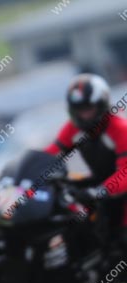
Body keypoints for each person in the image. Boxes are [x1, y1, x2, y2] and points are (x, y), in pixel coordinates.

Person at [44, 73, 127, 266]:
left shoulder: (120, 128)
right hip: (101, 184)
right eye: (79, 110)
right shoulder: (73, 128)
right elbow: (51, 154)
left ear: (102, 105)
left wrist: (100, 191)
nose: (84, 115)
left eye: (88, 109)